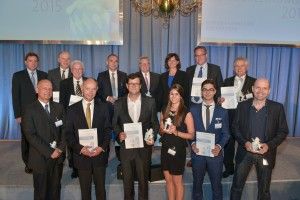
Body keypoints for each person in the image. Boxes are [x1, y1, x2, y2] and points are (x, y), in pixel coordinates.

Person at [230, 78, 289, 200]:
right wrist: (244, 142)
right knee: (236, 187)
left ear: (269, 91)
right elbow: (235, 128)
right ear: (252, 89)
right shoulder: (242, 106)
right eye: (257, 87)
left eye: (264, 88)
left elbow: (283, 131)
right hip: (244, 153)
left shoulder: (277, 108)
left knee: (264, 190)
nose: (260, 91)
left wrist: (269, 145)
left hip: (266, 154)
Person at [113, 73, 159, 200]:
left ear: (140, 86)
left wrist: (152, 137)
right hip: (126, 148)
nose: (133, 86)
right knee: (127, 182)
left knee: (143, 182)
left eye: (136, 83)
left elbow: (155, 123)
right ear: (127, 86)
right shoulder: (118, 103)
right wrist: (118, 134)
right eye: (131, 83)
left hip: (144, 148)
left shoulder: (150, 102)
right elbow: (114, 124)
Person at [66, 78, 112, 200]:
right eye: (87, 89)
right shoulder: (71, 109)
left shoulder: (104, 107)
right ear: (82, 89)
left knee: (101, 190)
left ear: (97, 90)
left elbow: (108, 130)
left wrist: (102, 147)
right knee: (85, 191)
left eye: (93, 89)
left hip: (99, 154)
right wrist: (80, 149)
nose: (90, 92)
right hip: (81, 156)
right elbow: (69, 134)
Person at [22, 79, 65, 200]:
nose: (48, 91)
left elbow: (65, 130)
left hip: (58, 158)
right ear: (37, 90)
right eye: (44, 88)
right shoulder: (29, 109)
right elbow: (30, 135)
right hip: (40, 159)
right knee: (41, 193)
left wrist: (60, 149)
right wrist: (50, 152)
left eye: (50, 88)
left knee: (56, 190)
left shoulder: (59, 107)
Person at [190, 79, 230, 200]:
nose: (207, 92)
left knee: (216, 186)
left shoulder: (222, 111)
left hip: (215, 155)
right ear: (201, 92)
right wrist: (192, 143)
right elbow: (189, 132)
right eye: (204, 89)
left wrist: (219, 147)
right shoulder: (192, 110)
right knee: (197, 186)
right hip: (198, 155)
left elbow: (226, 134)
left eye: (210, 89)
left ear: (215, 91)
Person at [11, 52, 48, 174]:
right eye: (30, 60)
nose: (33, 63)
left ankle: (42, 159)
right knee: (27, 140)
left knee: (42, 137)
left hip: (41, 112)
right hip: (25, 114)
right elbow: (15, 96)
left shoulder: (44, 75)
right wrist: (18, 115)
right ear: (25, 62)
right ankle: (28, 163)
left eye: (35, 61)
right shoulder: (18, 76)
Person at [221, 57, 256, 178]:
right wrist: (220, 100)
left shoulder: (254, 82)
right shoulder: (227, 81)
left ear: (246, 67)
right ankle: (229, 168)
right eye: (236, 66)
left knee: (243, 146)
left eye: (242, 66)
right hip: (229, 117)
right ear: (233, 68)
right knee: (228, 145)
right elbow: (220, 98)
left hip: (245, 119)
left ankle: (241, 169)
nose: (239, 68)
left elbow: (257, 99)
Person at [159, 84, 195, 200]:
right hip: (165, 148)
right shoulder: (164, 109)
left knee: (177, 181)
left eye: (176, 94)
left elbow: (191, 135)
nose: (173, 96)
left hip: (178, 150)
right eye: (171, 94)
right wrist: (162, 129)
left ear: (180, 96)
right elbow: (160, 130)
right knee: (168, 181)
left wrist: (176, 132)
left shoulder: (186, 112)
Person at [59, 60, 87, 178]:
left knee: (85, 141)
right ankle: (75, 167)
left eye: (80, 69)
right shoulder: (64, 83)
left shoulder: (88, 81)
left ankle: (85, 164)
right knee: (73, 142)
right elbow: (62, 102)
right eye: (75, 69)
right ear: (71, 70)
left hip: (86, 116)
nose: (78, 71)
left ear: (83, 70)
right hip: (71, 118)